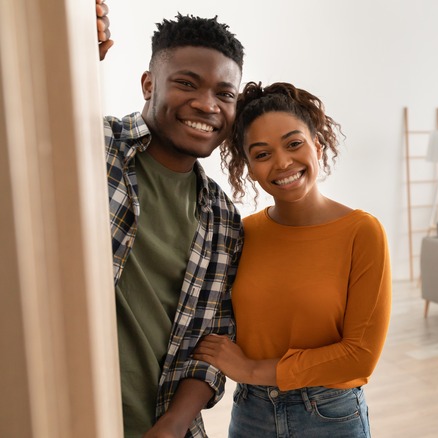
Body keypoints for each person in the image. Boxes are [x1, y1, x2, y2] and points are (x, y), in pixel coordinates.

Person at [193, 82, 392, 437]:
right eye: (262, 153)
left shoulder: (362, 232)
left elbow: (360, 355)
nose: (282, 162)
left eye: (293, 143)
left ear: (317, 145)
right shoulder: (243, 233)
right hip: (251, 413)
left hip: (330, 414)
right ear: (249, 167)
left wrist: (252, 370)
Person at [98, 4, 245, 437]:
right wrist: (70, 48)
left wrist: (172, 425)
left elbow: (211, 343)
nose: (207, 104)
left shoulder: (222, 220)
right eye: (186, 84)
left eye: (225, 93)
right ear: (149, 84)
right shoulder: (93, 145)